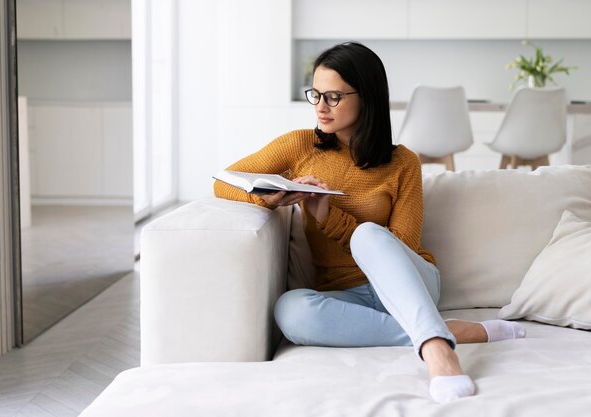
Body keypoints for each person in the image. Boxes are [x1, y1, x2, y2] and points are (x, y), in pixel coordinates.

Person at [213, 42, 525, 403]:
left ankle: (438, 349)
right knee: (290, 310)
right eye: (315, 94)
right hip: (348, 299)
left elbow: (400, 243)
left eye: (333, 96)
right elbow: (224, 181)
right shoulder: (300, 146)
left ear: (367, 97)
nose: (320, 107)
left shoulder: (403, 162)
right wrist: (268, 199)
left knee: (367, 236)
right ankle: (442, 330)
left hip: (412, 285)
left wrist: (330, 217)